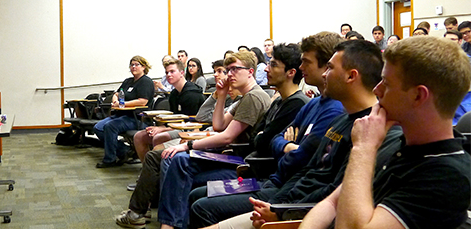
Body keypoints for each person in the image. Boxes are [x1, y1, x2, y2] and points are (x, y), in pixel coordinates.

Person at [204, 40, 403, 229]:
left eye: (331, 68)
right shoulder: (341, 119)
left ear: (351, 76)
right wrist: (277, 204)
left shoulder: (370, 130)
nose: (325, 74)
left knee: (202, 207)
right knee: (200, 194)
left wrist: (281, 210)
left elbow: (332, 190)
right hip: (285, 199)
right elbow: (305, 169)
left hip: (297, 211)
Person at [301, 36, 471, 229]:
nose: (376, 90)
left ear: (418, 96)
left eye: (386, 83)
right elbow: (331, 204)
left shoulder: (446, 177)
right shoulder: (397, 146)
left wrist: (363, 148)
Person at [187, 32, 345, 228]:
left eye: (274, 65)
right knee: (193, 188)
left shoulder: (315, 106)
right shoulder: (303, 103)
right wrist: (287, 145)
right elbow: (267, 140)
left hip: (272, 182)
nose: (267, 69)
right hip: (271, 178)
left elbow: (299, 157)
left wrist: (284, 146)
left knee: (199, 202)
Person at [115, 60, 242, 229]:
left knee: (161, 153)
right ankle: (146, 199)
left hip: (211, 142)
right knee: (151, 143)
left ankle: (146, 207)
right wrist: (216, 96)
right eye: (220, 71)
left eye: (226, 71)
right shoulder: (232, 101)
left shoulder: (245, 99)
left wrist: (190, 144)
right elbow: (205, 118)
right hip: (202, 134)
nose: (219, 76)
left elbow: (221, 134)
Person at [156, 51, 274, 229]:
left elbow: (227, 136)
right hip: (234, 155)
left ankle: (170, 225)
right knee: (177, 162)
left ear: (250, 71)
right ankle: (173, 224)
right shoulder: (245, 97)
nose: (230, 74)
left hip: (243, 162)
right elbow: (218, 125)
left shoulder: (254, 97)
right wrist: (221, 95)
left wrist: (188, 145)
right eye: (228, 70)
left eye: (235, 69)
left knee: (180, 160)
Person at [133, 58, 205, 163]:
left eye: (172, 71)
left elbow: (189, 124)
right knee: (139, 136)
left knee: (158, 137)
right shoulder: (174, 94)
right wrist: (160, 127)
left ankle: (158, 171)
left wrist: (162, 129)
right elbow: (175, 118)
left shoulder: (192, 94)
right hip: (178, 126)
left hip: (192, 130)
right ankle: (148, 171)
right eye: (167, 72)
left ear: (182, 73)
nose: (168, 75)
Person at [94, 55, 155, 168]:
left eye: (137, 64)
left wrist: (123, 104)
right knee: (98, 127)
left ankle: (110, 159)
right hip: (121, 114)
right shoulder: (128, 81)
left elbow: (143, 101)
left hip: (136, 118)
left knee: (110, 127)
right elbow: (116, 93)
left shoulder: (146, 82)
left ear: (144, 67)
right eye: (132, 65)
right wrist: (115, 100)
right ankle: (124, 150)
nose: (133, 67)